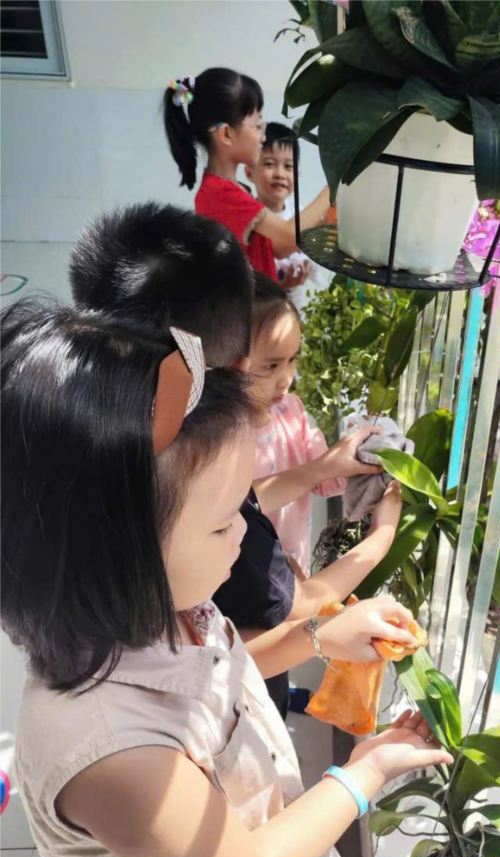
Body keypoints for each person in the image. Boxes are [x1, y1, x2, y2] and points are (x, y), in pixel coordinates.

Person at [0, 299, 452, 857]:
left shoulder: (169, 605)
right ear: (111, 554)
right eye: (221, 525)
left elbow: (224, 675)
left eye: (243, 505)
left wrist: (319, 636)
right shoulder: (107, 749)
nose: (245, 534)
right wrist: (367, 772)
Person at [69, 202, 390, 717]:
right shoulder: (201, 471)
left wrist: (320, 470)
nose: (285, 380)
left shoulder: (113, 435)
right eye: (269, 365)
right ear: (230, 367)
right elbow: (271, 620)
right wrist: (381, 539)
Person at [163, 68, 329, 280]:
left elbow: (278, 248)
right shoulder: (221, 193)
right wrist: (331, 190)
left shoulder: (227, 189)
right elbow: (289, 234)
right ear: (226, 134)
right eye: (257, 125)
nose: (262, 136)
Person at [243, 272, 344, 576]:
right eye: (272, 365)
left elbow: (328, 479)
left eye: (292, 360)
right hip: (247, 582)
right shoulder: (219, 435)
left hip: (295, 576)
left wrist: (362, 457)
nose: (286, 378)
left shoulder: (292, 412)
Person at [245, 122, 332, 310]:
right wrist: (280, 282)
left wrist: (306, 267)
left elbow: (312, 253)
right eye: (269, 164)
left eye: (288, 166)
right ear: (249, 171)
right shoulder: (249, 218)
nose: (280, 174)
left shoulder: (298, 212)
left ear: (297, 176)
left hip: (295, 310)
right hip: (260, 312)